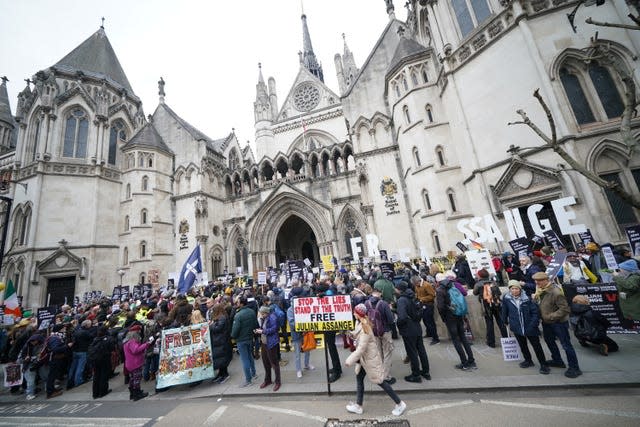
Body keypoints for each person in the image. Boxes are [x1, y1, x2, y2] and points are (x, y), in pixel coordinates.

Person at [344, 303, 407, 417]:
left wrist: (349, 360)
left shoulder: (365, 329)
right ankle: (358, 406)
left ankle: (400, 403)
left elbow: (361, 348)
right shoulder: (360, 323)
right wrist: (349, 333)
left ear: (358, 314)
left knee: (380, 381)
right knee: (359, 379)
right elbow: (357, 334)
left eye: (354, 312)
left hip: (370, 359)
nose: (353, 313)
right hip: (364, 360)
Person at [533, 271, 582, 378]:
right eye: (536, 281)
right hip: (547, 323)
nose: (537, 283)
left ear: (546, 280)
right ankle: (557, 360)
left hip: (558, 323)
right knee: (549, 341)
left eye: (539, 281)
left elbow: (565, 309)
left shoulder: (556, 292)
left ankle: (574, 367)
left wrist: (550, 316)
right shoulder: (541, 291)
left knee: (566, 345)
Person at [501, 280, 550, 374]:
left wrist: (533, 324)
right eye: (512, 289)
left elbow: (535, 313)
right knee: (522, 345)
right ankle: (528, 360)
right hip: (516, 326)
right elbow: (504, 310)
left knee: (537, 346)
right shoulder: (506, 298)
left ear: (520, 289)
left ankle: (543, 364)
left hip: (529, 326)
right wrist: (504, 320)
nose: (514, 291)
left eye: (516, 288)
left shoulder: (527, 299)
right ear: (509, 289)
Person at [436, 277, 476, 370]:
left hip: (450, 317)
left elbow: (440, 307)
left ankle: (464, 362)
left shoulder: (440, 290)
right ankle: (471, 360)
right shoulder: (454, 285)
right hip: (459, 314)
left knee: (456, 340)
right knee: (463, 338)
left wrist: (443, 318)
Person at [395, 280, 430, 383]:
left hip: (408, 329)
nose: (395, 290)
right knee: (421, 350)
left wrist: (399, 325)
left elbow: (402, 317)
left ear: (399, 289)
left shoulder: (401, 300)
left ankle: (416, 375)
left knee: (412, 352)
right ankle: (426, 372)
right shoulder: (412, 296)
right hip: (417, 327)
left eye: (396, 288)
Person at [367, 288, 396, 384]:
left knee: (379, 353)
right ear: (380, 294)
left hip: (373, 332)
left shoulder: (367, 303)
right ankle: (386, 376)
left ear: (372, 293)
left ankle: (379, 373)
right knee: (387, 353)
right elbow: (390, 319)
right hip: (385, 331)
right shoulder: (383, 304)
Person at [472, 269, 507, 348]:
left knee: (489, 323)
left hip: (486, 305)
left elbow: (475, 293)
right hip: (496, 304)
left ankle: (491, 342)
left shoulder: (478, 284)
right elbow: (499, 293)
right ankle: (507, 339)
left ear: (480, 276)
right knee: (500, 322)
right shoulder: (493, 283)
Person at [230, 295, 259, 387]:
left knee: (245, 359)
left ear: (241, 303)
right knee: (250, 356)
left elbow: (235, 330)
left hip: (241, 340)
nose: (237, 304)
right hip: (250, 338)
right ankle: (254, 373)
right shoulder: (251, 312)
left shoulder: (238, 315)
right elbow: (255, 325)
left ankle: (248, 380)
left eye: (238, 302)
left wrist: (232, 336)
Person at [287, 291, 315, 378]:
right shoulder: (290, 310)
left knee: (307, 350)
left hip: (305, 333)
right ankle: (298, 370)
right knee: (297, 354)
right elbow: (292, 323)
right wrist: (301, 329)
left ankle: (306, 365)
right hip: (296, 335)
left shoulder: (303, 308)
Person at [123, 324, 152, 401]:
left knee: (133, 378)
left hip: (130, 363)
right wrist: (146, 344)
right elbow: (136, 350)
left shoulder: (126, 341)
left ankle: (133, 393)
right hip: (135, 363)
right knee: (137, 378)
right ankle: (137, 393)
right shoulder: (132, 342)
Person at [257, 305, 281, 392]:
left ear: (266, 313)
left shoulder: (272, 317)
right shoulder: (264, 318)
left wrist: (262, 331)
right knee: (265, 362)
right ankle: (268, 380)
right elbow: (264, 327)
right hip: (264, 343)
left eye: (262, 314)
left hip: (271, 343)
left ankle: (278, 382)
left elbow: (274, 329)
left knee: (274, 363)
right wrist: (259, 329)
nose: (261, 315)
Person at [67, 319, 95, 389]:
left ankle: (70, 380)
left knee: (73, 367)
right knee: (80, 367)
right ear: (87, 325)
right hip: (82, 351)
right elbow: (91, 337)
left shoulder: (76, 331)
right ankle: (78, 381)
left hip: (75, 351)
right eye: (90, 324)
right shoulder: (85, 332)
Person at [209, 303, 232, 384]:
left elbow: (217, 328)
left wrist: (211, 325)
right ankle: (221, 374)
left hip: (222, 341)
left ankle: (224, 374)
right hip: (219, 341)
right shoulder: (221, 317)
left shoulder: (222, 318)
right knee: (220, 359)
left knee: (222, 359)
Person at [613, 259, 640, 326]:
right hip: (630, 307)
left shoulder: (635, 277)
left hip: (635, 307)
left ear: (627, 269)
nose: (619, 270)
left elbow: (630, 286)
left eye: (621, 269)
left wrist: (617, 277)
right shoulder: (626, 277)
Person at [90, 326, 114, 399]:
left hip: (95, 359)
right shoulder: (108, 339)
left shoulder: (95, 339)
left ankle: (95, 393)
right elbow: (112, 348)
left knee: (96, 375)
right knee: (104, 375)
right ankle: (103, 391)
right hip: (104, 358)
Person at [414, 275, 439, 344]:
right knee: (425, 320)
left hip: (428, 305)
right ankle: (429, 333)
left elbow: (432, 295)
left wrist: (422, 299)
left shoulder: (426, 285)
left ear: (418, 281)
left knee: (430, 322)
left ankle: (435, 338)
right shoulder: (417, 286)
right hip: (422, 305)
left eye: (416, 284)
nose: (416, 286)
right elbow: (417, 293)